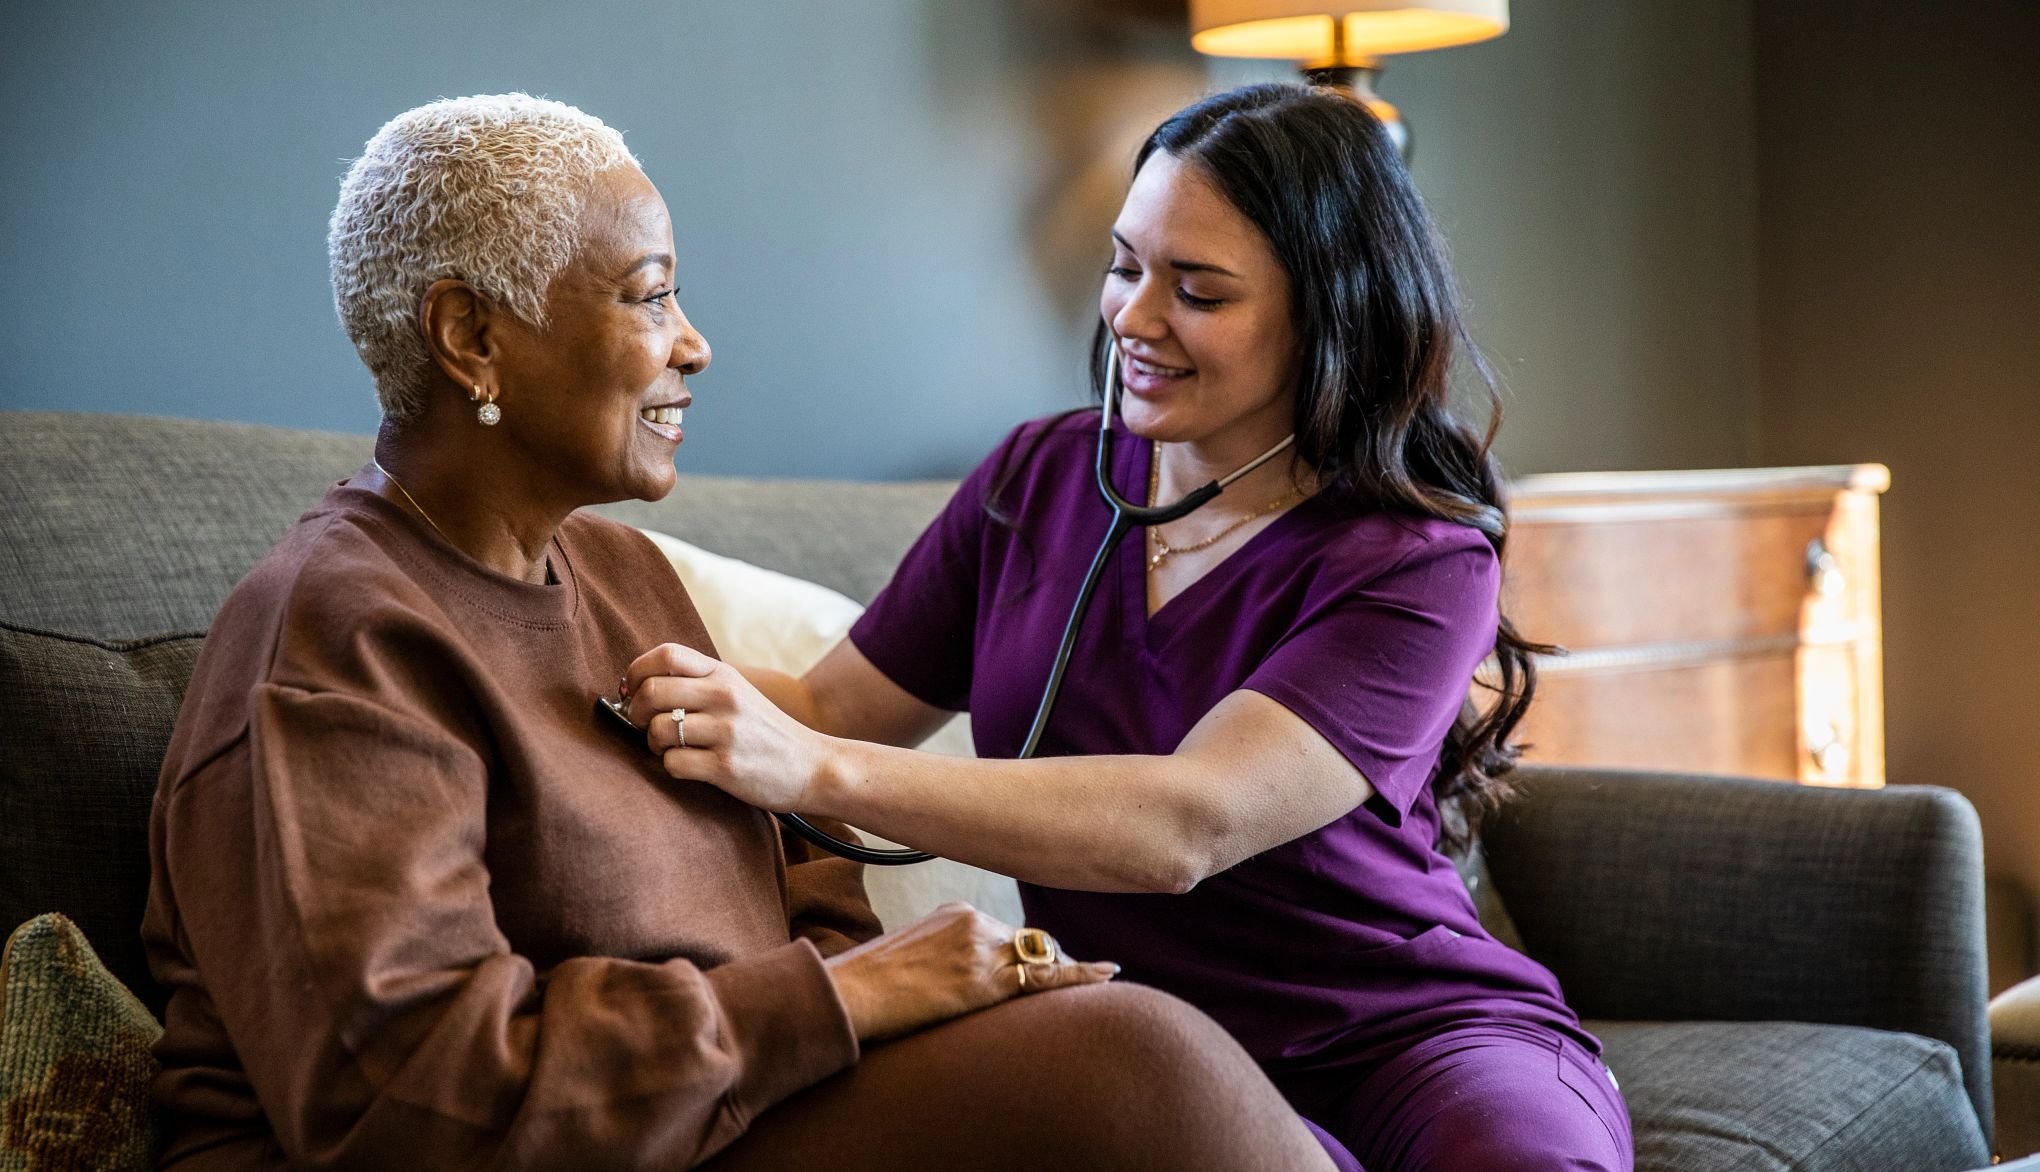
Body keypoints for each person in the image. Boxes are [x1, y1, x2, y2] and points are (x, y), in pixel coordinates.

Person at [139, 93, 1338, 1172]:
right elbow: (416, 1101)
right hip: (567, 1141)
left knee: (1139, 1064)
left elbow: (807, 884)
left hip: (740, 1104)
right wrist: (843, 1001)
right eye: (648, 292)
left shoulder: (618, 571)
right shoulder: (335, 634)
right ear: (472, 338)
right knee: (1132, 1072)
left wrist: (882, 994)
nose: (694, 342)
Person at [623, 84, 1635, 1171]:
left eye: (1197, 290)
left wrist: (816, 770)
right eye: (1124, 266)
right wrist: (594, 667)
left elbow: (1185, 825)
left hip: (1415, 1037)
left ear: (1331, 311)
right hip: (1156, 1049)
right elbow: (830, 702)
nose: (1134, 317)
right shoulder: (1037, 477)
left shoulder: (1416, 558)